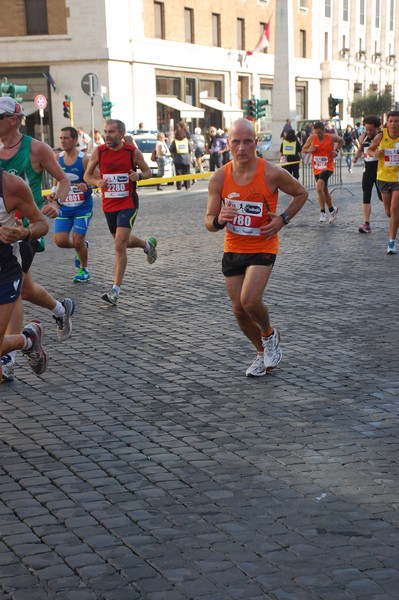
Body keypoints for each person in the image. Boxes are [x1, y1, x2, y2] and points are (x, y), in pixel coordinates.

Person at [205, 118, 308, 377]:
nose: (242, 147)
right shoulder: (219, 177)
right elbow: (208, 221)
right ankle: (262, 353)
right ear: (228, 144)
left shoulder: (270, 173)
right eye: (236, 141)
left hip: (263, 244)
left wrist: (283, 219)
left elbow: (301, 193)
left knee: (249, 300)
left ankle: (269, 334)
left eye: (247, 141)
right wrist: (220, 219)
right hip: (234, 246)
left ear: (255, 142)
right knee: (239, 310)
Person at [0, 97, 75, 381]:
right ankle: (61, 308)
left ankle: (10, 356)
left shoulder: (36, 148)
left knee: (15, 290)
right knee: (28, 289)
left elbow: (64, 179)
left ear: (14, 119)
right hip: (3, 231)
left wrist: (56, 202)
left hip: (25, 232)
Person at [84, 118, 157, 305]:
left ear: (121, 134)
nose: (107, 135)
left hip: (128, 203)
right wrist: (96, 182)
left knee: (118, 245)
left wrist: (138, 175)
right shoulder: (99, 152)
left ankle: (115, 290)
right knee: (121, 241)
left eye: (112, 132)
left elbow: (149, 172)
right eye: (106, 132)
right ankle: (146, 245)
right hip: (109, 204)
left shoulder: (132, 152)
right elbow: (87, 175)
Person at [0, 168, 49, 382]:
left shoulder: (11, 185)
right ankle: (28, 339)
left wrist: (25, 233)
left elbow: (41, 223)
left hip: (5, 270)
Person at [49, 127, 94, 282]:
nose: (62, 140)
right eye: (61, 138)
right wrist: (54, 191)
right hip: (64, 206)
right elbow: (57, 177)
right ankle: (81, 246)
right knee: (60, 241)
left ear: (75, 140)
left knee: (77, 239)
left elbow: (97, 178)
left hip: (83, 206)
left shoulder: (84, 159)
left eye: (66, 138)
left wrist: (87, 185)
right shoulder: (57, 157)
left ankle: (84, 269)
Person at [367, 111, 399, 254]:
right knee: (388, 212)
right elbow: (369, 149)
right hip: (383, 177)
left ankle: (391, 242)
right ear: (387, 122)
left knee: (394, 209)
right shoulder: (381, 135)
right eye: (391, 121)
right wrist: (376, 154)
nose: (393, 124)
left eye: (396, 121)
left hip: (397, 178)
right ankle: (395, 222)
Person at [301, 121, 344, 223]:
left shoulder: (330, 137)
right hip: (317, 167)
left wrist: (336, 150)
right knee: (324, 190)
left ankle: (322, 212)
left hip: (328, 166)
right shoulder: (311, 138)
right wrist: (309, 149)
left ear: (323, 131)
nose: (317, 135)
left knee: (319, 188)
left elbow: (341, 140)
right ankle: (332, 210)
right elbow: (303, 149)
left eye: (319, 132)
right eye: (315, 132)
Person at [352, 115, 382, 233]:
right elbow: (361, 148)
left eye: (371, 130)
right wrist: (355, 157)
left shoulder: (381, 137)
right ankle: (366, 224)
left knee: (383, 197)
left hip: (380, 170)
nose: (368, 132)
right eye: (366, 129)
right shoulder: (363, 136)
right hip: (367, 170)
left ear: (376, 128)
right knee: (366, 195)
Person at [169, 123, 192, 190]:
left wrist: (173, 156)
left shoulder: (175, 142)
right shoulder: (186, 141)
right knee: (186, 173)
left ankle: (179, 187)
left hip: (177, 159)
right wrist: (190, 158)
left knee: (178, 174)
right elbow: (190, 150)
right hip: (186, 159)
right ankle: (187, 186)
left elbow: (171, 150)